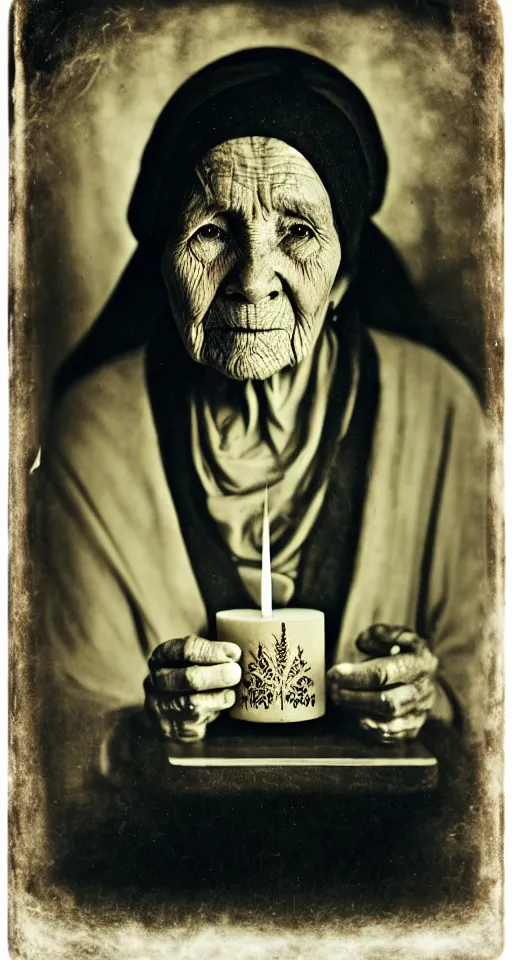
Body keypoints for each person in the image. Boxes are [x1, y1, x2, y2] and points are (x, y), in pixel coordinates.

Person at [40, 48, 487, 861]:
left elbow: (495, 719)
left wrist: (433, 702)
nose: (254, 280)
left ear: (345, 276)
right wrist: (143, 729)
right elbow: (54, 760)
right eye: (212, 232)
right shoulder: (91, 432)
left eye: (298, 232)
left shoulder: (442, 410)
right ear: (162, 263)